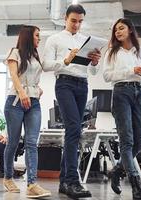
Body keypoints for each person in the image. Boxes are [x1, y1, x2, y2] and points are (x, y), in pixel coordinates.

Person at [42, 4, 101, 199]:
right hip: (65, 84)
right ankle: (72, 181)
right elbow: (46, 65)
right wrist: (66, 60)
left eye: (80, 21)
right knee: (74, 128)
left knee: (74, 131)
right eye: (74, 20)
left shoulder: (86, 40)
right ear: (65, 19)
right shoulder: (55, 39)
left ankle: (64, 182)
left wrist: (94, 62)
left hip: (82, 85)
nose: (77, 24)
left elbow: (92, 72)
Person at [103, 18, 141, 200]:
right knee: (127, 141)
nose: (118, 32)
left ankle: (117, 169)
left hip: (140, 92)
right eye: (116, 30)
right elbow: (107, 76)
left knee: (138, 142)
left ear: (130, 30)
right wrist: (132, 71)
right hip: (121, 93)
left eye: (121, 28)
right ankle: (136, 185)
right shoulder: (112, 52)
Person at [3, 25, 51, 198]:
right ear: (28, 36)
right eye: (37, 35)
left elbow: (35, 77)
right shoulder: (14, 52)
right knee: (13, 142)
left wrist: (36, 89)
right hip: (15, 101)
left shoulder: (36, 56)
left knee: (32, 142)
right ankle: (8, 177)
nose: (39, 38)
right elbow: (14, 76)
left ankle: (32, 183)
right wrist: (23, 93)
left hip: (34, 102)